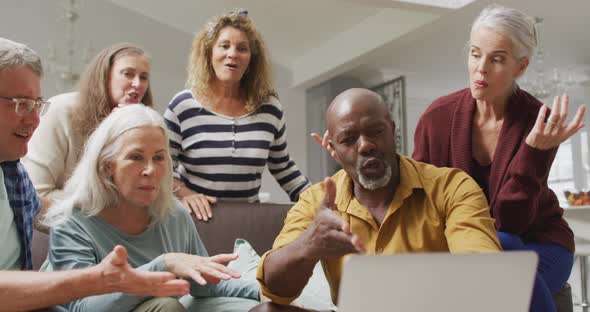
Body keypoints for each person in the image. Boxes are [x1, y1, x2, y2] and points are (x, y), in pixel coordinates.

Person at [252, 88, 501, 311]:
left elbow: (483, 274)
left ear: (393, 130)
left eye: (376, 131)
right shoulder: (316, 201)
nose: (365, 146)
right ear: (333, 149)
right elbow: (276, 290)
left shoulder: (451, 187)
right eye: (348, 139)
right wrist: (307, 245)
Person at [412, 5, 586, 312]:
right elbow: (418, 201)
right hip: (469, 247)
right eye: (476, 54)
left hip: (540, 242)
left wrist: (533, 151)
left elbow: (511, 222)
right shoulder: (436, 119)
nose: (481, 68)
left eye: (497, 59)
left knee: (502, 247)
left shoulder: (536, 122)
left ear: (520, 67)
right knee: (496, 260)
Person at [0, 37, 189, 311]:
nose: (34, 120)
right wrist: (96, 279)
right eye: (20, 104)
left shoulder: (11, 172)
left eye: (35, 104)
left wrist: (118, 207)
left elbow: (49, 211)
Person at [44, 104, 260, 312]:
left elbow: (205, 283)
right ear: (107, 165)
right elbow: (82, 307)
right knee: (166, 306)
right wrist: (163, 266)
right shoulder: (71, 221)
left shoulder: (175, 215)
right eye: (136, 157)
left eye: (158, 158)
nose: (150, 170)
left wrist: (266, 292)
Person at [164, 10, 311, 221]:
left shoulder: (270, 108)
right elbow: (163, 167)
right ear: (209, 52)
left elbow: (283, 167)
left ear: (251, 59)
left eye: (242, 48)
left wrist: (317, 200)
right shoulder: (182, 106)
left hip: (247, 221)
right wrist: (185, 193)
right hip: (194, 222)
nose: (232, 53)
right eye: (224, 46)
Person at [22, 42, 153, 211]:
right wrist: (107, 208)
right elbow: (37, 192)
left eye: (143, 77)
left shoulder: (143, 127)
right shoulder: (60, 110)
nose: (137, 84)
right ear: (105, 76)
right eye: (128, 74)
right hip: (54, 225)